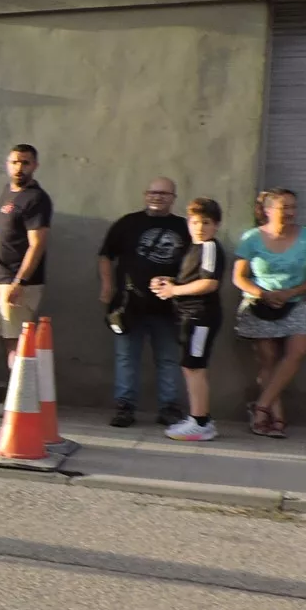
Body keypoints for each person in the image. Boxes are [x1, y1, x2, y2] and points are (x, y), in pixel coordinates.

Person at [233, 188, 306, 438]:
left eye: (293, 207)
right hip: (260, 304)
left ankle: (261, 407)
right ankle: (277, 418)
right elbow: (239, 277)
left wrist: (291, 292)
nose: (289, 212)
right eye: (283, 207)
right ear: (267, 210)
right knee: (268, 360)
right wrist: (263, 294)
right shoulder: (251, 238)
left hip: (295, 302)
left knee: (298, 351)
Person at [0, 143, 51, 417]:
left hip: (17, 283)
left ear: (35, 166)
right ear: (7, 163)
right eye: (15, 162)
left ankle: (19, 403)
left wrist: (20, 282)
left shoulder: (36, 199)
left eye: (25, 163)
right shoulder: (7, 192)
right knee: (8, 341)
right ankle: (18, 399)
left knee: (18, 342)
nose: (19, 167)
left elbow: (37, 244)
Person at [98, 177, 188, 428]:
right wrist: (107, 286)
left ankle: (169, 407)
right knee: (126, 356)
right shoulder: (128, 223)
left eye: (164, 193)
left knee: (168, 358)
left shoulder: (184, 228)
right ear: (145, 195)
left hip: (168, 305)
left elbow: (194, 264)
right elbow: (106, 255)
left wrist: (178, 285)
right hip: (129, 303)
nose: (157, 197)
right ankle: (124, 406)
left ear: (173, 198)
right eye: (153, 192)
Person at [153, 198, 225, 442]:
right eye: (195, 222)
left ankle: (201, 423)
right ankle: (198, 416)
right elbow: (190, 279)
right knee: (189, 366)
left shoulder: (210, 248)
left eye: (206, 222)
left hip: (200, 316)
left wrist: (175, 291)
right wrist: (168, 283)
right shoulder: (193, 248)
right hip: (187, 316)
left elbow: (208, 283)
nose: (200, 227)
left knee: (195, 367)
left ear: (216, 225)